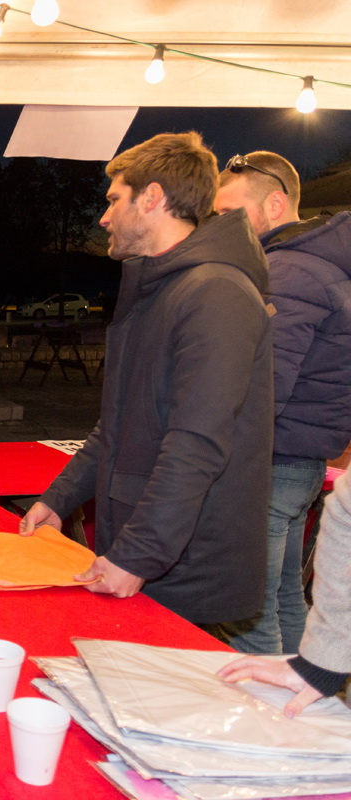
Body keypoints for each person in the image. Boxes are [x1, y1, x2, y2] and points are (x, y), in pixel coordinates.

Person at [19, 131, 274, 628]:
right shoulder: (159, 291)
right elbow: (114, 427)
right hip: (149, 553)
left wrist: (139, 554)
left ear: (152, 197)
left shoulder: (215, 293)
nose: (104, 217)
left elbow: (196, 443)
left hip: (185, 568)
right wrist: (58, 500)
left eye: (115, 199)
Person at [213, 151, 351, 654]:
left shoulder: (288, 271)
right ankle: (309, 711)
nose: (222, 225)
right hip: (303, 460)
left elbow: (264, 386)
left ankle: (268, 724)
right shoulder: (322, 264)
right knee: (286, 598)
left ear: (274, 204)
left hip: (271, 461)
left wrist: (217, 452)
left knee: (248, 615)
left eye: (230, 213)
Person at [217, 471, 351, 716]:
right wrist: (322, 663)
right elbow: (346, 515)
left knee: (266, 595)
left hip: (286, 467)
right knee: (281, 591)